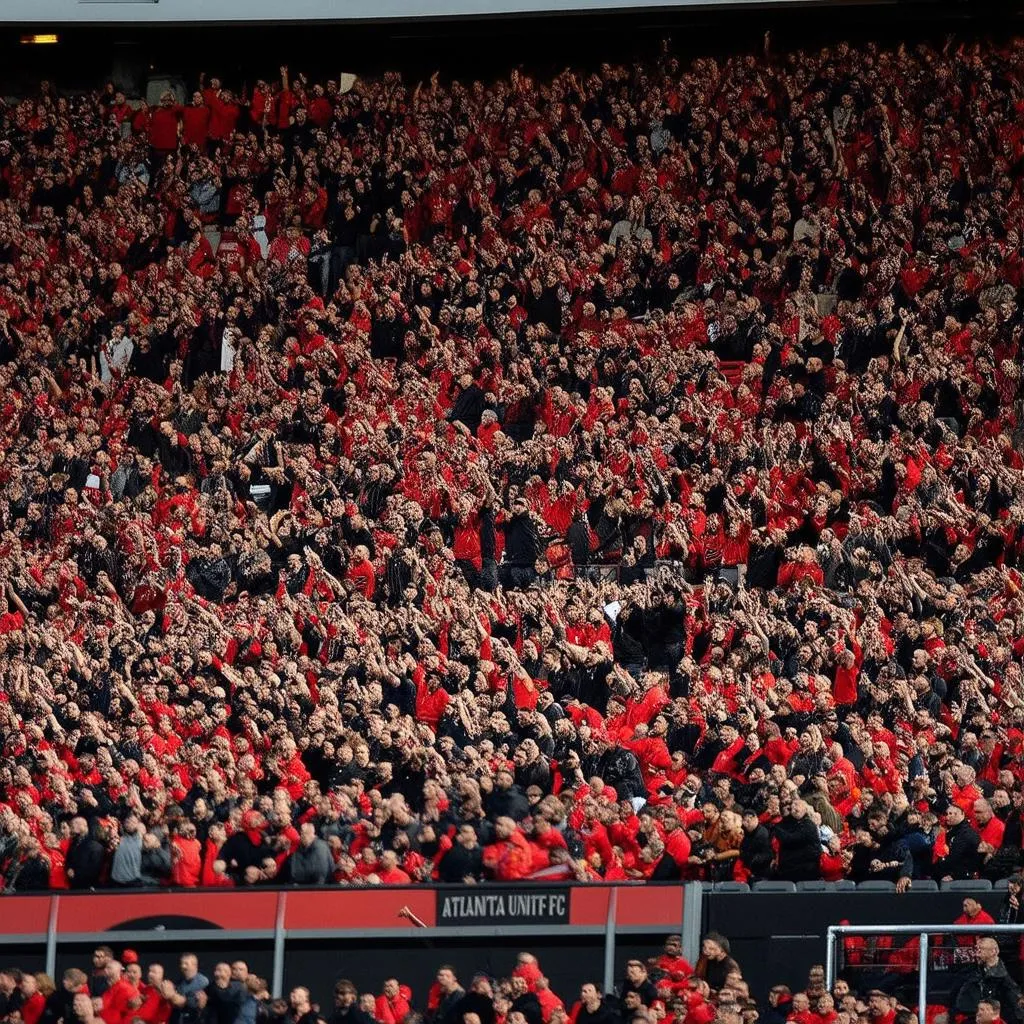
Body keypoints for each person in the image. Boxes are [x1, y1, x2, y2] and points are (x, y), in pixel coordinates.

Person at [954, 939, 1024, 1024]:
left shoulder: (1009, 973)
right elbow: (956, 995)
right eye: (976, 949)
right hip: (970, 1016)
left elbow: (1015, 998)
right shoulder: (970, 971)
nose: (977, 953)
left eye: (981, 949)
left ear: (993, 951)